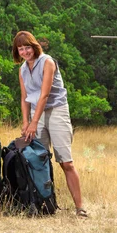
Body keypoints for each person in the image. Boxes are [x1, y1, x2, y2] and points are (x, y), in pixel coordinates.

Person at [12, 30, 88, 218]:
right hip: (34, 114)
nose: (25, 52)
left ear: (34, 46)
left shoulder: (47, 62)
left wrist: (34, 122)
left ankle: (80, 208)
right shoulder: (22, 69)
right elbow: (24, 98)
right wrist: (25, 122)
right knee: (38, 160)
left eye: (27, 47)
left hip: (56, 110)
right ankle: (45, 204)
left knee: (65, 161)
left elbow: (44, 95)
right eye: (20, 49)